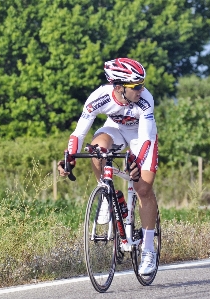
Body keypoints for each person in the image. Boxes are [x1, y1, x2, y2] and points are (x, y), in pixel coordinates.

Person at [58, 58, 159, 275]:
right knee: (96, 148)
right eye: (137, 86)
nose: (142, 89)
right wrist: (69, 158)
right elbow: (79, 133)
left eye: (142, 84)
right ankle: (107, 193)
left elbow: (145, 138)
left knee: (144, 189)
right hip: (114, 129)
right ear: (119, 87)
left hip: (142, 137)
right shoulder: (100, 97)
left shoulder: (145, 100)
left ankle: (149, 249)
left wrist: (136, 161)